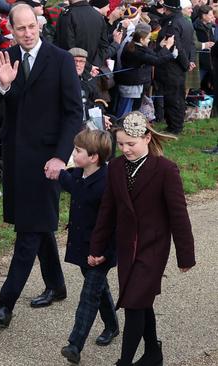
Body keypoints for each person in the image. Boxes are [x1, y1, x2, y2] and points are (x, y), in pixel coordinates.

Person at [0, 4, 82, 327]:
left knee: (28, 232)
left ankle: (5, 304)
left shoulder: (61, 59)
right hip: (14, 158)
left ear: (38, 26)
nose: (27, 33)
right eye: (20, 28)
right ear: (10, 28)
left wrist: (60, 156)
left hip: (47, 161)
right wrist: (4, 85)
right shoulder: (4, 57)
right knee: (37, 225)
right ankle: (56, 284)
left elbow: (72, 114)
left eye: (31, 27)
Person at [88, 111, 195, 366]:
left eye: (131, 144)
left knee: (135, 302)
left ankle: (125, 362)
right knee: (141, 301)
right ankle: (153, 354)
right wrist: (97, 246)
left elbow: (179, 215)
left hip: (153, 248)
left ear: (147, 138)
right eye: (121, 144)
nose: (125, 149)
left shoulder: (166, 170)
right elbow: (107, 210)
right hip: (127, 248)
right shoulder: (114, 168)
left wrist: (185, 255)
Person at [51, 128, 119, 364]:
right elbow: (74, 184)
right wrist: (59, 173)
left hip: (101, 251)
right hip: (83, 246)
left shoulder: (106, 183)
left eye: (78, 151)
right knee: (99, 289)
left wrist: (100, 253)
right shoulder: (81, 172)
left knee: (89, 296)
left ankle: (74, 344)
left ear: (94, 157)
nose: (74, 153)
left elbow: (112, 224)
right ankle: (112, 325)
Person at [115, 25, 175, 117]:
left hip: (136, 84)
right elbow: (156, 60)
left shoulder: (137, 46)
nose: (149, 40)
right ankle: (119, 128)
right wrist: (170, 51)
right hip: (131, 85)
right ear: (141, 39)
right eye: (148, 38)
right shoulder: (135, 51)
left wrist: (161, 46)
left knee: (133, 110)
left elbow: (154, 55)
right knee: (125, 112)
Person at [155, 0, 195, 134]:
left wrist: (186, 63)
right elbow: (190, 45)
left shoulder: (173, 24)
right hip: (179, 65)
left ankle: (175, 126)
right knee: (177, 96)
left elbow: (176, 46)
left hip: (172, 66)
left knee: (173, 98)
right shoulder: (186, 21)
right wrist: (189, 61)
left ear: (167, 9)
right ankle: (175, 124)